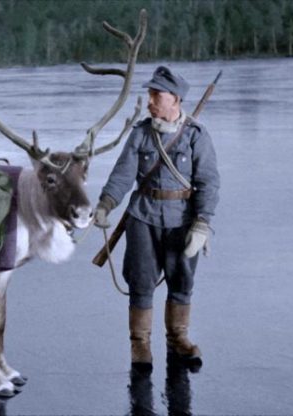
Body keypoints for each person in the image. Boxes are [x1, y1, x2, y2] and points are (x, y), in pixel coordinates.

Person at [94, 66, 220, 373]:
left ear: (175, 99)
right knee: (140, 282)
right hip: (143, 218)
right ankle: (140, 344)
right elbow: (123, 175)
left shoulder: (196, 136)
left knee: (182, 282)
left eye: (156, 95)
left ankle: (179, 338)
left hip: (183, 221)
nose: (150, 101)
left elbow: (208, 182)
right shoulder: (140, 134)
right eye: (149, 94)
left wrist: (203, 223)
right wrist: (105, 204)